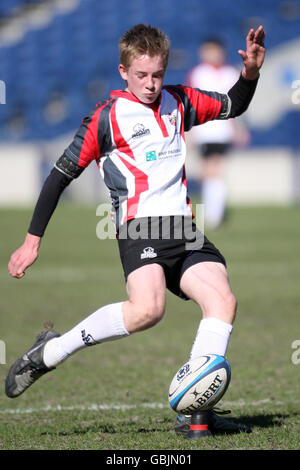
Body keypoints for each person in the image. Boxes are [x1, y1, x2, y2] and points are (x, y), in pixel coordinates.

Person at [5, 24, 265, 436]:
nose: (150, 84)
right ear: (123, 71)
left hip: (184, 227)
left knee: (223, 301)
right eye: (141, 75)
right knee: (149, 310)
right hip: (138, 227)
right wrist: (31, 240)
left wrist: (249, 73)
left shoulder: (179, 100)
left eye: (157, 74)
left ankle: (196, 412)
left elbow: (233, 105)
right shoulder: (105, 117)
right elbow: (59, 175)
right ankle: (51, 350)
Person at [187, 37, 250, 229]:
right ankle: (213, 213)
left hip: (222, 130)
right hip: (203, 130)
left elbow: (238, 104)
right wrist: (189, 131)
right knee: (207, 170)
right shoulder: (198, 73)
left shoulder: (231, 73)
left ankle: (215, 214)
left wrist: (240, 129)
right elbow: (190, 103)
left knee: (216, 169)